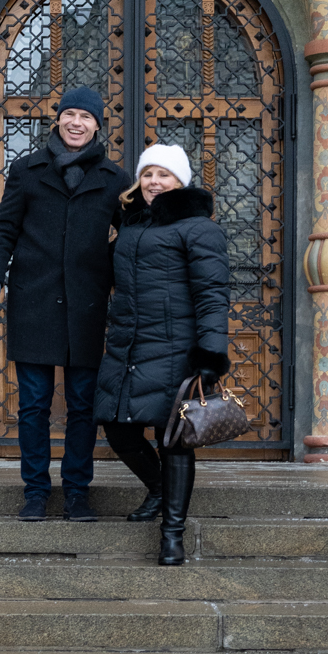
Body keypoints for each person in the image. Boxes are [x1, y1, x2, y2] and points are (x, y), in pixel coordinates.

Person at [0, 87, 125, 521]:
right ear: (58, 119)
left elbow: (134, 238)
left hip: (87, 306)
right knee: (34, 404)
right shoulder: (27, 169)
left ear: (98, 124)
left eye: (86, 116)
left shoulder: (114, 179)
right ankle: (36, 491)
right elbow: (4, 229)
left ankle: (78, 492)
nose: (76, 122)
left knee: (82, 405)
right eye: (69, 114)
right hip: (34, 301)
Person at [94, 144, 231, 566]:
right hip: (128, 345)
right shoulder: (131, 226)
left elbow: (212, 295)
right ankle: (157, 489)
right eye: (148, 173)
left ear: (180, 181)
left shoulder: (198, 228)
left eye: (164, 175)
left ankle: (172, 535)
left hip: (175, 348)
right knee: (118, 428)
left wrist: (210, 353)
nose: (154, 182)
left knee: (173, 440)